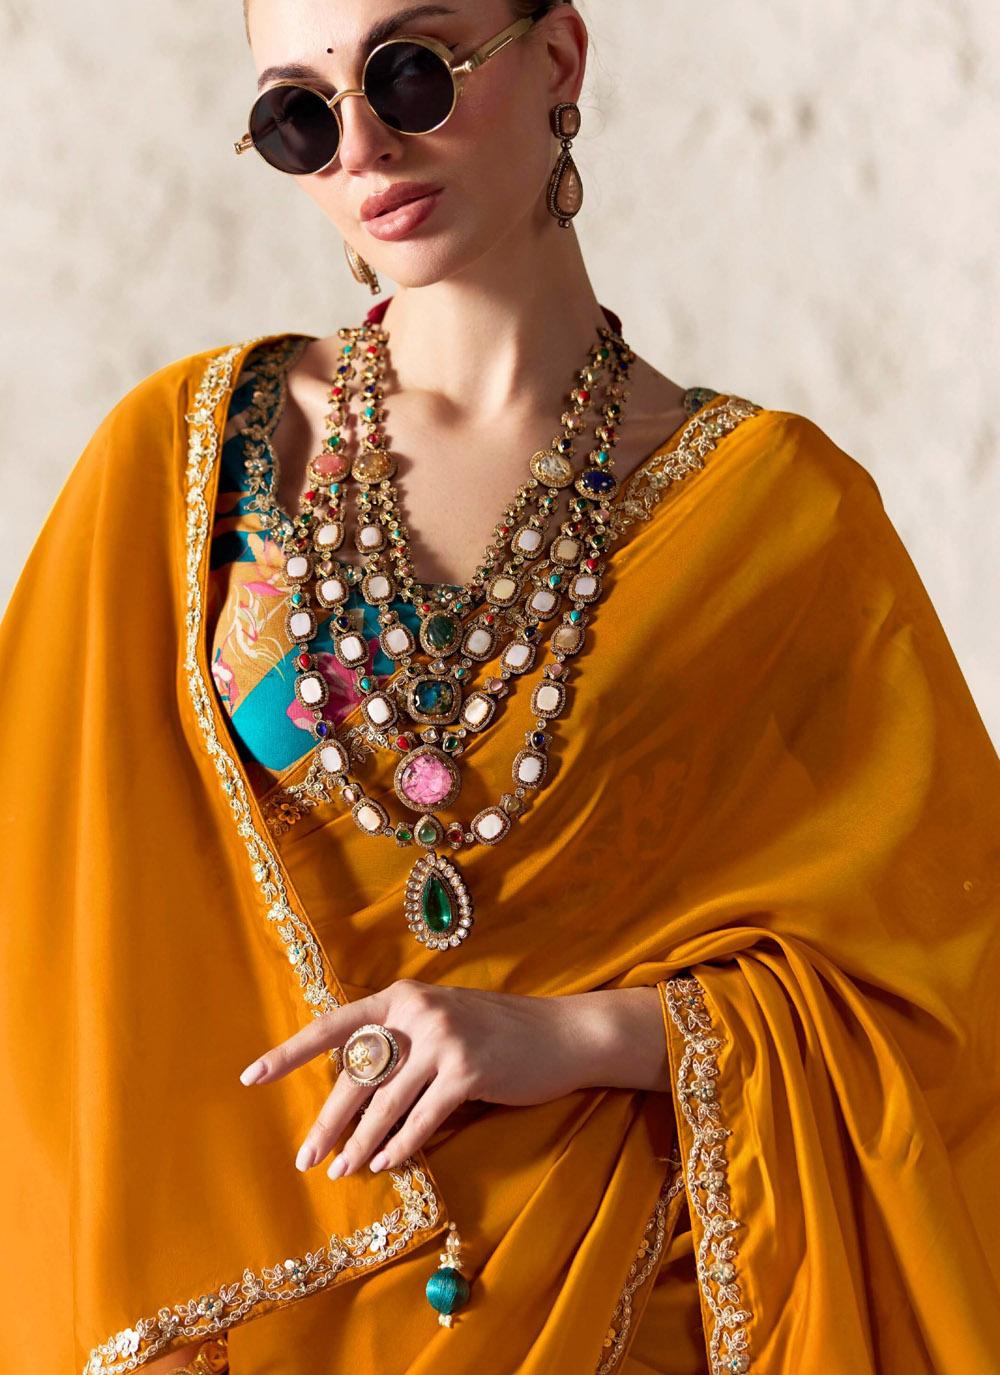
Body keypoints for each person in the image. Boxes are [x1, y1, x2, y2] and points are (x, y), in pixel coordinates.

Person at [1, 1, 998, 1372]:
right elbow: (38, 946)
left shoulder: (776, 520)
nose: (361, 147)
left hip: (626, 1302)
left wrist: (573, 1036)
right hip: (241, 1319)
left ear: (561, 56)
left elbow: (943, 990)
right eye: (297, 115)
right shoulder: (185, 464)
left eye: (410, 73)